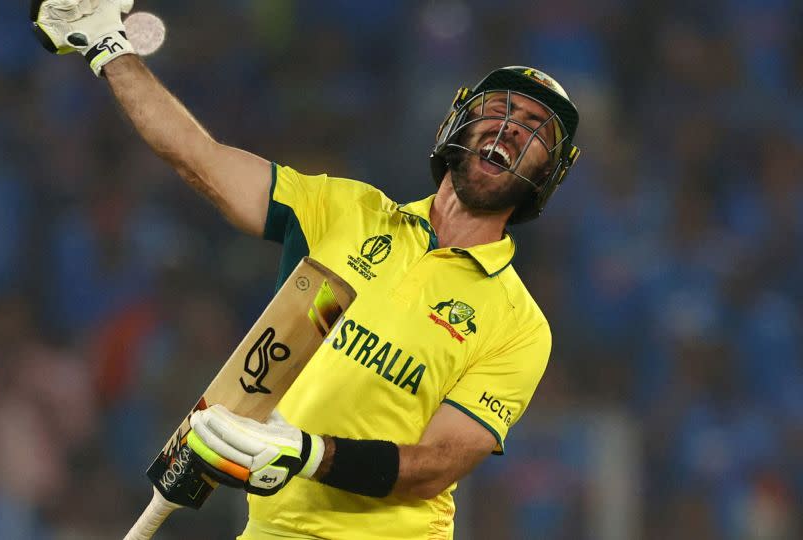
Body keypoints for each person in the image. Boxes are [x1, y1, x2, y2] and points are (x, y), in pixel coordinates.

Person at [32, 1, 581, 538]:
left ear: (548, 175)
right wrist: (109, 45)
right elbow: (198, 158)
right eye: (499, 110)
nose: (511, 128)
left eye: (535, 128)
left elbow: (437, 465)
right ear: (455, 124)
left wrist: (307, 453)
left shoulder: (519, 326)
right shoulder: (344, 211)